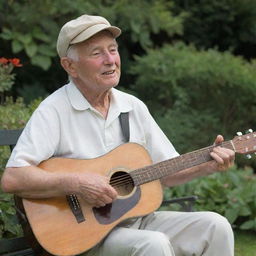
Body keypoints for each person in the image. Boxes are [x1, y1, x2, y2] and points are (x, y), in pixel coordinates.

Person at [1, 14, 235, 256]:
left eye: (112, 50)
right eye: (97, 53)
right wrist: (77, 183)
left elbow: (167, 170)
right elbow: (13, 178)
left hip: (137, 221)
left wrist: (208, 165)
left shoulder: (132, 106)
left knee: (215, 226)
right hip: (83, 237)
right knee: (152, 244)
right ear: (69, 66)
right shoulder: (54, 111)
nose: (110, 60)